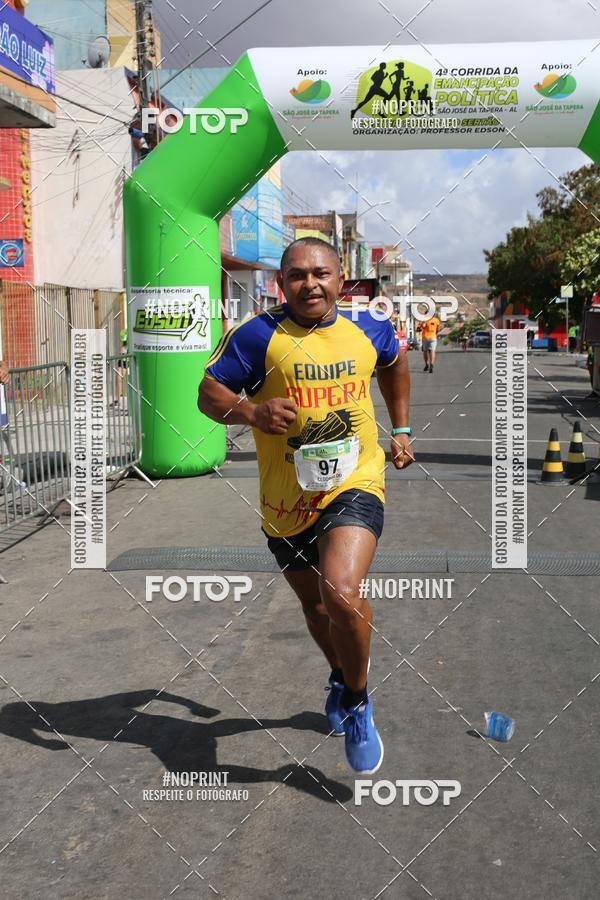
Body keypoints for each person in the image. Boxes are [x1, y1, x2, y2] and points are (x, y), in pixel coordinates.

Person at [197, 237, 414, 775]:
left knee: (340, 592)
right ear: (281, 283)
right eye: (296, 275)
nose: (309, 284)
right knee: (317, 610)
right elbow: (207, 394)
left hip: (356, 480)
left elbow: (394, 362)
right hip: (287, 498)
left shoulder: (369, 325)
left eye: (320, 273)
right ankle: (342, 677)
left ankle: (360, 702)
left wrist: (402, 426)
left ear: (341, 278)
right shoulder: (257, 336)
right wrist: (250, 412)